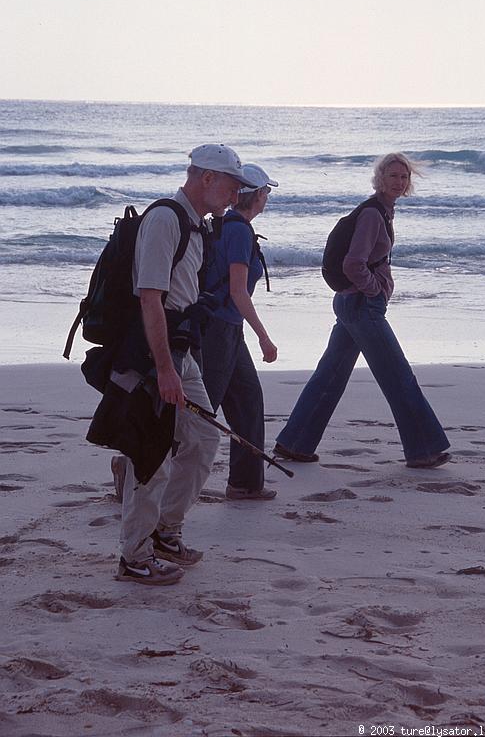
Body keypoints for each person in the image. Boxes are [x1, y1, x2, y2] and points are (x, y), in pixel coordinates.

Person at [112, 144, 257, 586]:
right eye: (232, 186)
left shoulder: (197, 224)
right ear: (206, 178)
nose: (236, 196)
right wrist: (165, 369)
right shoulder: (165, 219)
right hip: (154, 354)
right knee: (152, 453)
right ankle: (134, 557)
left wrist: (182, 360)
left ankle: (163, 532)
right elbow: (150, 298)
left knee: (203, 439)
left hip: (181, 350)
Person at [274, 152, 451, 469]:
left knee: (330, 375)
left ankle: (294, 444)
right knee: (398, 376)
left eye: (404, 177)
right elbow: (353, 264)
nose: (399, 182)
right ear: (380, 178)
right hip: (361, 306)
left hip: (351, 304)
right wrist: (373, 291)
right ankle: (424, 449)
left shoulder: (382, 210)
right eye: (393, 176)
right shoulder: (372, 214)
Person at [201, 163, 279, 500]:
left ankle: (245, 483)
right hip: (218, 331)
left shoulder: (228, 225)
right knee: (200, 414)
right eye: (267, 193)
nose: (267, 198)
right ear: (259, 195)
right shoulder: (238, 231)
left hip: (227, 329)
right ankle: (138, 473)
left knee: (247, 401)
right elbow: (237, 291)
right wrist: (264, 335)